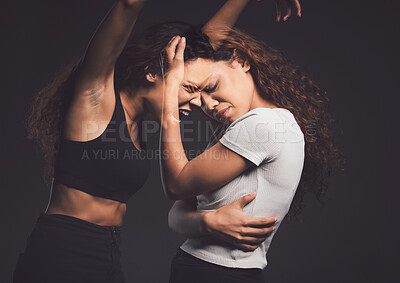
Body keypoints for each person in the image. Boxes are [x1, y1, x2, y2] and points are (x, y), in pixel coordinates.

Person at [14, 0, 302, 282]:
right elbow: (129, 5)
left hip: (107, 252)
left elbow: (202, 52)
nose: (198, 102)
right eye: (188, 88)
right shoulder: (95, 97)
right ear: (153, 71)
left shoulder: (146, 116)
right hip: (61, 252)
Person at [160, 18, 341, 283]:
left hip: (219, 274)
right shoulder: (240, 127)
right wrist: (209, 223)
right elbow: (176, 214)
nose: (208, 105)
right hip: (204, 270)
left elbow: (176, 186)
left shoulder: (263, 126)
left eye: (211, 87)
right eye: (200, 98)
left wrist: (169, 97)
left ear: (242, 61)